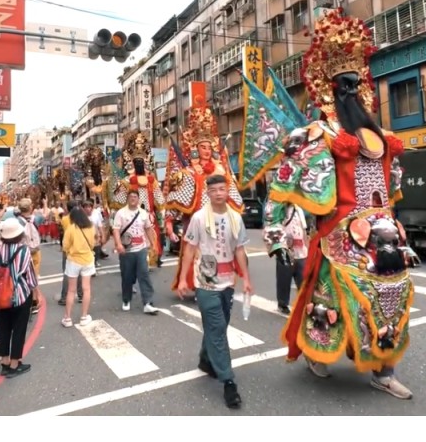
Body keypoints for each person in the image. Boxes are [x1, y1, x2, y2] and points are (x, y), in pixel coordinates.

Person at [269, 10, 417, 399]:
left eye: (356, 81)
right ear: (327, 88)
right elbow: (285, 185)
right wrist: (279, 234)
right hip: (339, 235)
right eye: (343, 83)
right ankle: (320, 352)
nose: (350, 89)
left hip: (385, 233)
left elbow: (394, 183)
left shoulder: (380, 134)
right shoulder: (317, 133)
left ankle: (384, 369)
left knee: (392, 296)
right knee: (330, 299)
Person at [176, 174, 252, 409]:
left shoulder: (236, 218)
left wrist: (246, 279)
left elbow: (239, 250)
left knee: (218, 326)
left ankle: (206, 360)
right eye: (214, 190)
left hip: (227, 282)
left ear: (227, 191)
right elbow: (189, 249)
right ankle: (228, 381)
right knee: (218, 328)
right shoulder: (199, 218)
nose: (219, 193)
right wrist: (182, 279)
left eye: (223, 189)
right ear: (207, 193)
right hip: (205, 282)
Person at [165, 105, 244, 291]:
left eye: (210, 147)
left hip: (219, 221)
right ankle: (197, 283)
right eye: (203, 147)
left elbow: (233, 198)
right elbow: (177, 198)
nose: (207, 151)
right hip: (197, 223)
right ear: (195, 148)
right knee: (197, 255)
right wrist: (169, 223)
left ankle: (218, 282)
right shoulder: (189, 172)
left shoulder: (221, 170)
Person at [110, 131, 165, 268]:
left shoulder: (152, 181)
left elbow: (160, 201)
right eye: (137, 161)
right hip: (130, 218)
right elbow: (117, 205)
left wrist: (162, 218)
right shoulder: (125, 182)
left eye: (142, 161)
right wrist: (113, 220)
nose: (139, 163)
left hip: (149, 218)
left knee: (150, 242)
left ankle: (148, 262)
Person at [0, 218, 39, 378]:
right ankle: (15, 363)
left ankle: (4, 361)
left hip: (0, 295)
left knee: (3, 327)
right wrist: (33, 291)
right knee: (19, 329)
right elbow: (30, 275)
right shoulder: (23, 250)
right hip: (20, 294)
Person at [112, 190, 159, 315]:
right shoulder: (121, 213)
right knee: (127, 276)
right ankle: (126, 299)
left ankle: (148, 302)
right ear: (127, 199)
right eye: (131, 196)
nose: (133, 198)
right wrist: (118, 244)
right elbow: (116, 230)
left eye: (135, 196)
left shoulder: (143, 213)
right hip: (127, 250)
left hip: (141, 249)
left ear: (138, 199)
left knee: (144, 275)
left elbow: (148, 229)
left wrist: (153, 244)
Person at [263, 198, 308, 315]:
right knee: (284, 277)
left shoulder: (299, 208)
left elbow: (304, 229)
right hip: (286, 248)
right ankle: (283, 303)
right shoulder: (277, 207)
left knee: (303, 279)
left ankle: (305, 303)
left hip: (301, 250)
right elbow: (270, 225)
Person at [62, 206, 97, 327]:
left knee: (71, 290)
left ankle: (67, 318)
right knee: (86, 289)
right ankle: (84, 316)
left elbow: (65, 246)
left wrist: (69, 252)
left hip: (73, 260)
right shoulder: (91, 227)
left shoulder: (71, 229)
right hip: (87, 259)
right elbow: (93, 243)